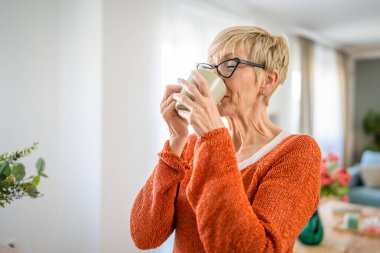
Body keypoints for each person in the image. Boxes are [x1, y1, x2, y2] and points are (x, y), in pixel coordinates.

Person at [130, 26, 321, 253]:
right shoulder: (194, 144)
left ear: (268, 81)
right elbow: (145, 235)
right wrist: (176, 139)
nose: (214, 77)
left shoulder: (297, 152)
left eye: (230, 65)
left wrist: (213, 137)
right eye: (211, 67)